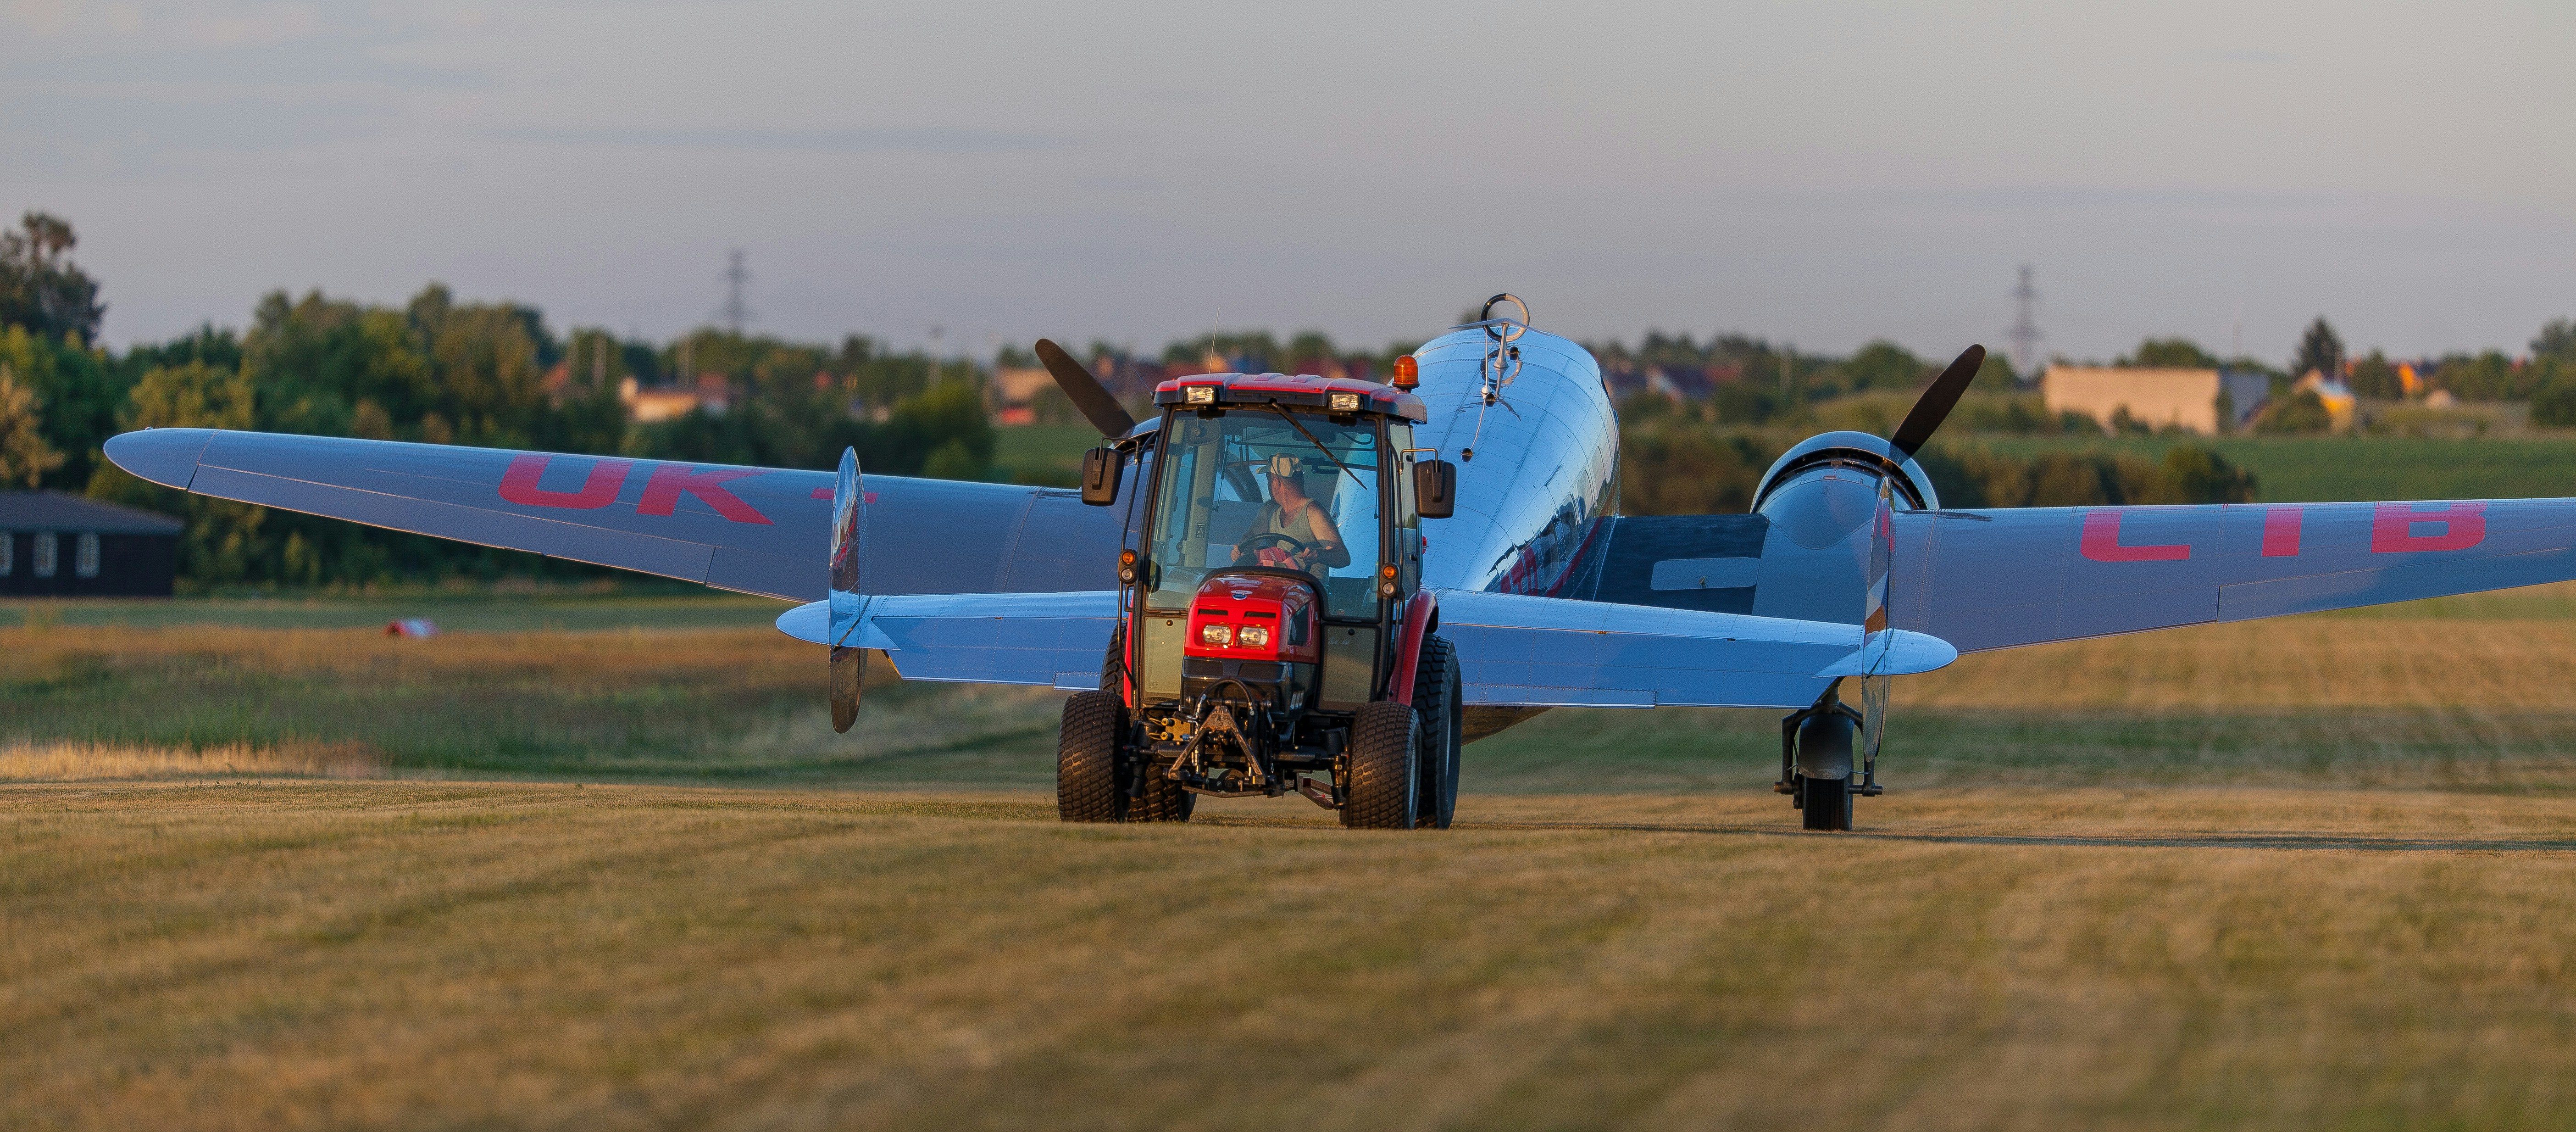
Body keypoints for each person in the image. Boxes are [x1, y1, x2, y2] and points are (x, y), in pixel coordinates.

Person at [1235, 454, 1349, 577]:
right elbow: (1253, 535)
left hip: (1308, 588)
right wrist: (1241, 549)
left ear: (1276, 483)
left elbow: (1343, 557)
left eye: (1269, 480)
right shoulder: (1269, 509)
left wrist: (1318, 555)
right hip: (1275, 583)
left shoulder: (1313, 512)